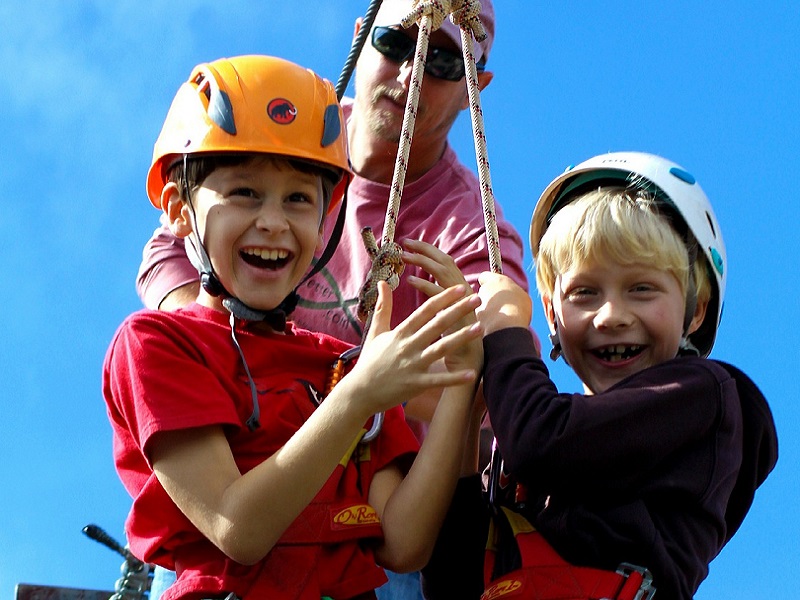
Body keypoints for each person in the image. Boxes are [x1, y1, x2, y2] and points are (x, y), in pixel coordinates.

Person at [136, 1, 531, 598]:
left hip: (368, 521)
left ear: (477, 86)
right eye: (397, 43)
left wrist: (366, 386)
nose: (413, 72)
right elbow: (169, 250)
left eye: (446, 62)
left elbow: (485, 355)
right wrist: (233, 363)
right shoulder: (295, 136)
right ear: (362, 37)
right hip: (237, 504)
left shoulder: (471, 229)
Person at [420, 152, 778, 599]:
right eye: (585, 293)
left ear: (695, 310)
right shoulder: (531, 448)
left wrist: (507, 332)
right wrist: (466, 415)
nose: (611, 316)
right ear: (552, 313)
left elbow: (541, 442)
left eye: (642, 289)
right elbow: (452, 584)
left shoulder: (704, 399)